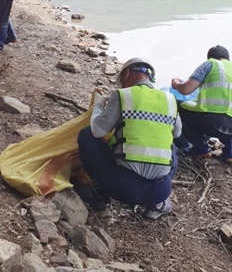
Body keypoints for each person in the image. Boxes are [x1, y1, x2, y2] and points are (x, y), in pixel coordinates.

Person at [77, 57, 181, 220]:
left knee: (86, 134)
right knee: (172, 146)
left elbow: (97, 131)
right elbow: (177, 134)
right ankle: (158, 204)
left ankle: (100, 193)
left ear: (126, 73)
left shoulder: (123, 95)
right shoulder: (170, 100)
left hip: (123, 188)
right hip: (160, 189)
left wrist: (97, 107)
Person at [171, 45, 232, 164]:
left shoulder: (211, 64)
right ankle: (229, 153)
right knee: (228, 115)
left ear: (210, 57)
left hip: (213, 123)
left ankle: (201, 147)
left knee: (176, 105)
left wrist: (176, 83)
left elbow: (186, 89)